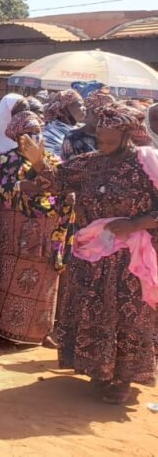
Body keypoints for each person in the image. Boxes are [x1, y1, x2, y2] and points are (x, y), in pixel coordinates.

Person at [22, 104, 158, 404]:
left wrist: (135, 223)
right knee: (93, 311)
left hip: (130, 261)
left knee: (129, 316)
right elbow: (55, 182)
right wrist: (38, 163)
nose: (102, 146)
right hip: (94, 256)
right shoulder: (88, 164)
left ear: (126, 136)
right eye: (99, 140)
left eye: (109, 141)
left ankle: (123, 379)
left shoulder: (147, 164)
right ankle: (100, 370)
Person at [0, 111, 66, 347]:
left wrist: (39, 166)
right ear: (17, 136)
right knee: (6, 281)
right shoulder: (2, 160)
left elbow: (62, 186)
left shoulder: (52, 161)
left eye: (37, 132)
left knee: (41, 282)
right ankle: (3, 332)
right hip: (10, 233)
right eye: (28, 133)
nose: (33, 137)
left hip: (43, 235)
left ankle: (37, 332)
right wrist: (17, 186)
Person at [62, 89, 117, 160]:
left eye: (105, 114)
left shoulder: (113, 137)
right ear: (87, 113)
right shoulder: (73, 136)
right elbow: (68, 165)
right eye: (95, 113)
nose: (99, 117)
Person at [42, 90, 85, 157]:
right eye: (80, 105)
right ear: (65, 108)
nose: (84, 108)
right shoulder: (50, 133)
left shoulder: (82, 128)